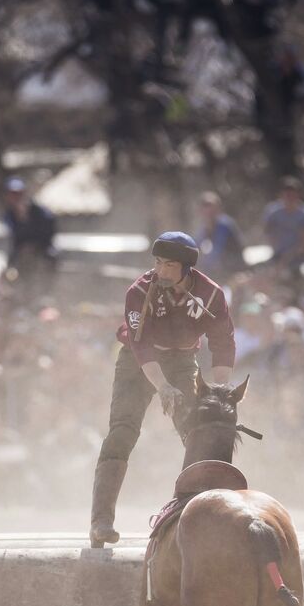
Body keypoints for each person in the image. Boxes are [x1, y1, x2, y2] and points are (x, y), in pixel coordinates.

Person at [89, 232, 236, 547]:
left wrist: (220, 390)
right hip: (137, 361)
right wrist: (163, 386)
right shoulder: (139, 292)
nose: (160, 270)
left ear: (186, 268)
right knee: (123, 431)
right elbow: (140, 346)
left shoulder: (211, 296)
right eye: (157, 262)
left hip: (183, 359)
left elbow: (223, 343)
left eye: (169, 264)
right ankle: (101, 521)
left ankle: (194, 514)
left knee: (197, 430)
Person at [2, 177, 58, 282]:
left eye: (18, 194)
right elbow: (14, 238)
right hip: (21, 252)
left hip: (41, 248)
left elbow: (48, 230)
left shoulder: (39, 212)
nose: (15, 197)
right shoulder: (10, 215)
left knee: (50, 259)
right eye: (12, 194)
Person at [262, 176, 304, 273]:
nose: (289, 199)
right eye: (287, 195)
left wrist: (285, 259)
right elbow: (268, 233)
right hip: (277, 256)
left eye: (292, 195)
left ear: (299, 196)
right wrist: (277, 252)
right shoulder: (273, 212)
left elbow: (303, 244)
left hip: (298, 258)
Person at [195, 191, 245, 278]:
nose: (208, 211)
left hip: (233, 271)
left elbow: (217, 252)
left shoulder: (225, 225)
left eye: (211, 208)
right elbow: (197, 248)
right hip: (217, 272)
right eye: (205, 206)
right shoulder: (204, 229)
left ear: (218, 209)